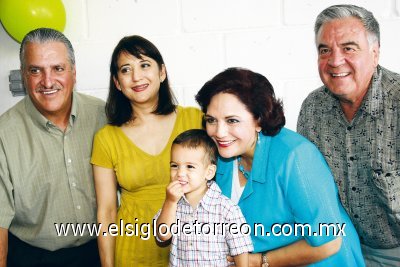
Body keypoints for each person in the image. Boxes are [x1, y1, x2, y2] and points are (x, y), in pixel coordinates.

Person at [195, 67, 365, 266]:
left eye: (232, 121)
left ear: (259, 120)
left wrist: (259, 261)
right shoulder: (221, 156)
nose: (220, 132)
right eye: (211, 120)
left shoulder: (296, 156)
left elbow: (330, 242)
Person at [297, 4, 400, 265]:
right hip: (339, 249)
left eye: (348, 48)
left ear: (375, 53)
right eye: (325, 50)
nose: (335, 60)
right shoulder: (313, 109)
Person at [91, 35, 203, 266]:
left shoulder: (195, 120)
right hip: (133, 251)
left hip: (194, 249)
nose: (136, 77)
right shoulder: (106, 138)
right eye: (125, 69)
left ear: (161, 72)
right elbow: (107, 212)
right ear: (117, 82)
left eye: (144, 65)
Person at [0, 28, 106, 267]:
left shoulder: (104, 115)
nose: (47, 81)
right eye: (35, 70)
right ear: (24, 75)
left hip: (99, 251)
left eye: (58, 68)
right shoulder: (3, 135)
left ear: (73, 72)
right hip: (33, 258)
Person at [154, 129, 253, 266]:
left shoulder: (226, 209)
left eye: (190, 166)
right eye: (175, 166)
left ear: (209, 172)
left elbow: (240, 249)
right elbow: (162, 235)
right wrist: (170, 202)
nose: (180, 173)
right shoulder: (173, 205)